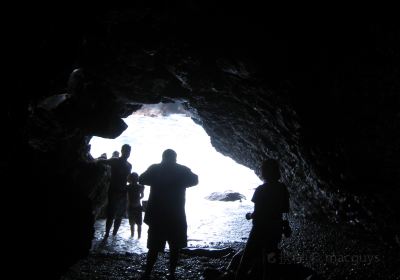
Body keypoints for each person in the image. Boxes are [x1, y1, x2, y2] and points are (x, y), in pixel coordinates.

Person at [138, 149, 198, 280]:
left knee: (153, 247)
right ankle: (171, 273)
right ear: (175, 158)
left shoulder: (155, 168)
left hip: (157, 215)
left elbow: (141, 179)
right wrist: (179, 182)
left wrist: (156, 180)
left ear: (163, 157)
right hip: (176, 215)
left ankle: (147, 273)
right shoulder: (182, 170)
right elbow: (195, 180)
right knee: (175, 246)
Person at [235, 159, 290, 280]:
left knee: (247, 257)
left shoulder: (261, 189)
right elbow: (285, 209)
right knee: (271, 257)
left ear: (264, 172)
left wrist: (249, 215)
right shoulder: (282, 188)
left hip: (260, 229)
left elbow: (257, 213)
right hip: (275, 228)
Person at [101, 144, 132, 239]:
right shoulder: (115, 161)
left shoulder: (129, 165)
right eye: (126, 151)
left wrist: (135, 184)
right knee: (111, 213)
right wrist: (96, 161)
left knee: (120, 215)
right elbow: (103, 161)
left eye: (129, 151)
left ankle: (114, 234)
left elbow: (128, 179)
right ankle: (106, 234)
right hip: (114, 190)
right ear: (122, 150)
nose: (127, 153)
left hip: (123, 191)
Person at [126, 172, 145, 238]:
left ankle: (132, 237)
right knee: (139, 224)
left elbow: (126, 197)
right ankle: (138, 238)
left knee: (132, 224)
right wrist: (137, 198)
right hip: (137, 206)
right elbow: (142, 196)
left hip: (131, 207)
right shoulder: (141, 187)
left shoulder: (128, 187)